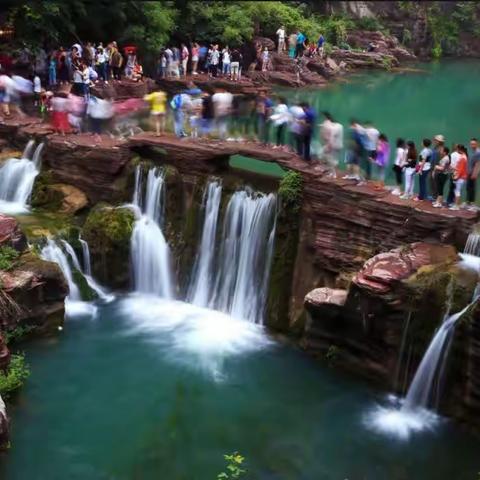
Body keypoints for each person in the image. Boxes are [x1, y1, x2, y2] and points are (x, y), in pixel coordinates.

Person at [319, 112, 343, 178]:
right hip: (339, 145)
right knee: (334, 159)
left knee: (330, 159)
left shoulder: (334, 128)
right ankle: (332, 172)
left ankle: (333, 173)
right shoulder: (340, 126)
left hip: (333, 145)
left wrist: (329, 145)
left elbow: (331, 137)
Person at [450, 145, 468, 210]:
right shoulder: (463, 156)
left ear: (459, 149)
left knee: (457, 191)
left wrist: (456, 177)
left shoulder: (463, 158)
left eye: (458, 149)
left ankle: (457, 206)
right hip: (461, 176)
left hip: (460, 177)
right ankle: (457, 204)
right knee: (457, 190)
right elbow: (459, 168)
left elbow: (460, 169)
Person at [466, 138, 480, 210]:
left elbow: (478, 164)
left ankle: (472, 203)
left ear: (477, 144)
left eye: (474, 144)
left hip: (473, 173)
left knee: (472, 188)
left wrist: (475, 173)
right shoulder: (471, 151)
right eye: (471, 144)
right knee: (468, 188)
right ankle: (468, 202)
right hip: (469, 172)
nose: (472, 145)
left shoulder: (478, 152)